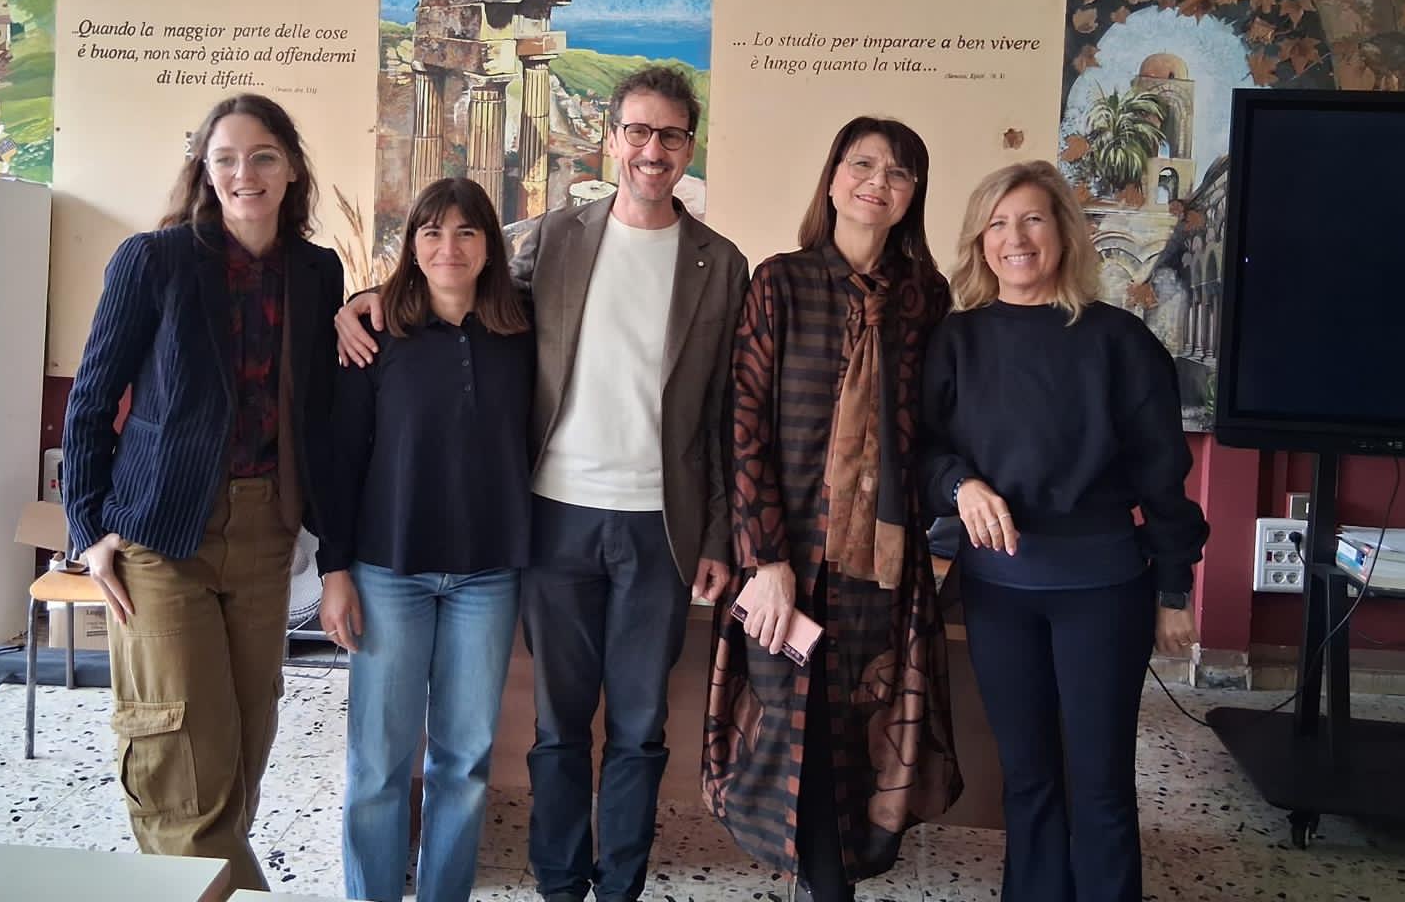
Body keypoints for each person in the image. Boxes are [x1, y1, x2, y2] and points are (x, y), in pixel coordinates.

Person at [337, 65, 748, 902]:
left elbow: (722, 411)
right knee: (558, 724)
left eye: (671, 134)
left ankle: (619, 885)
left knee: (640, 724)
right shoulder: (558, 237)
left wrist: (717, 536)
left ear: (689, 146)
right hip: (556, 516)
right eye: (638, 131)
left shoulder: (721, 263)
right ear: (612, 139)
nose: (653, 149)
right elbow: (465, 289)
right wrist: (367, 296)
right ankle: (560, 884)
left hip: (661, 526)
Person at [62, 94, 343, 892]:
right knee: (180, 765)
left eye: (263, 156)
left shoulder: (317, 272)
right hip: (160, 536)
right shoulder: (153, 260)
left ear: (292, 169)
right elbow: (91, 399)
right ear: (204, 170)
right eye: (226, 158)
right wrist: (88, 530)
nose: (244, 173)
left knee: (240, 753)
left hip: (265, 534)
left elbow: (321, 411)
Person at [919, 159, 1209, 902]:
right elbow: (921, 451)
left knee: (1100, 782)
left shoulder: (1120, 341)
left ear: (1064, 233)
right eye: (997, 223)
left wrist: (1174, 588)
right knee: (1027, 779)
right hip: (997, 594)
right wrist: (960, 484)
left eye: (1032, 219)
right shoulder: (956, 340)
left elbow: (1162, 477)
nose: (1015, 238)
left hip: (1102, 593)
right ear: (980, 241)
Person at [703, 117, 961, 902]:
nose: (878, 182)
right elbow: (744, 423)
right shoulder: (781, 282)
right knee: (790, 724)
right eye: (862, 164)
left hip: (882, 562)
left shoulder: (926, 297)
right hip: (788, 554)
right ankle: (825, 886)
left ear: (913, 194)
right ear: (833, 177)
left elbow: (936, 431)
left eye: (899, 172)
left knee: (861, 728)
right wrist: (766, 560)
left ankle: (833, 881)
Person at [316, 177, 535, 902]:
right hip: (389, 571)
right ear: (412, 245)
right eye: (432, 232)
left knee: (464, 763)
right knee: (378, 763)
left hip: (488, 575)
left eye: (467, 231)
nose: (449, 247)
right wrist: (334, 570)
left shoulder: (524, 331)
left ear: (490, 245)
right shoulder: (376, 333)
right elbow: (341, 457)